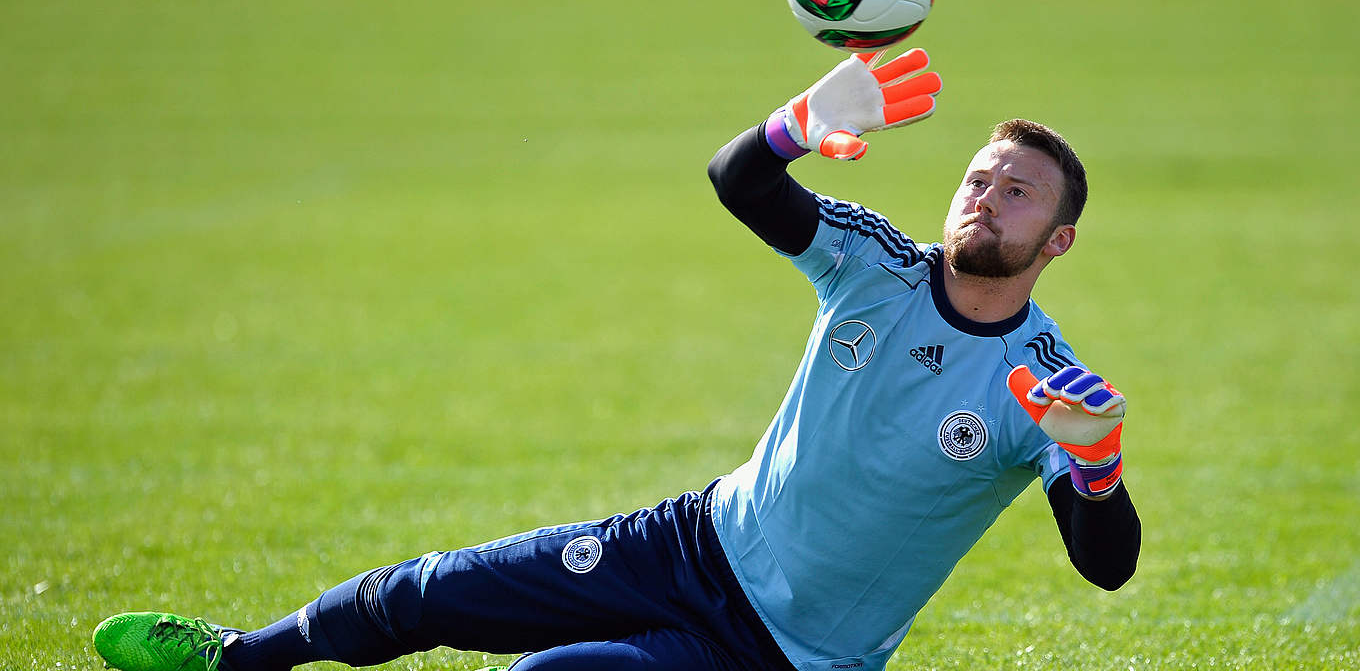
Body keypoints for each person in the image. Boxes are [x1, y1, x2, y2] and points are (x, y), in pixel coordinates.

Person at [92, 48, 1140, 671]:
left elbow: (1107, 562)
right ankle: (237, 654)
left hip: (778, 654)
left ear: (1058, 241)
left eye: (1017, 193)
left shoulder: (1044, 383)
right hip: (688, 542)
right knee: (430, 593)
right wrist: (799, 125)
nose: (984, 199)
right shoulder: (877, 264)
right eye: (978, 177)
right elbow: (741, 182)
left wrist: (1095, 467)